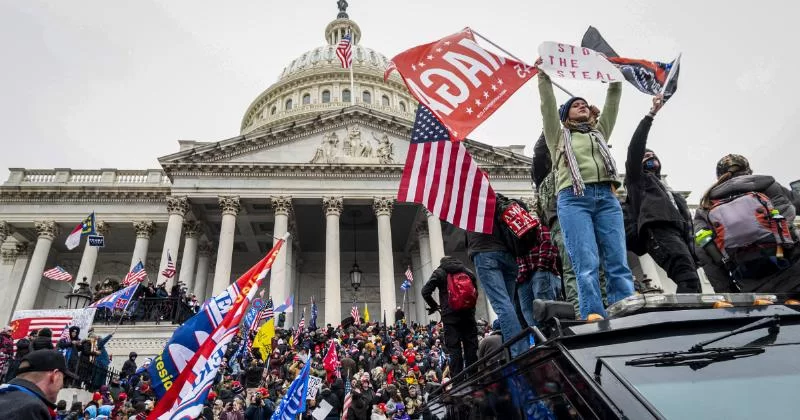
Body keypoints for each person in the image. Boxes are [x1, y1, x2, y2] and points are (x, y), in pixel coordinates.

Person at [536, 60, 634, 320]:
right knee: (586, 261)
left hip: (606, 197)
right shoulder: (557, 137)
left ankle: (625, 308)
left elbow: (613, 101)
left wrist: (615, 77)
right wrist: (544, 78)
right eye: (574, 105)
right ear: (566, 115)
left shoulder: (599, 133)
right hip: (573, 199)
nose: (580, 106)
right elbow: (547, 107)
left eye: (584, 104)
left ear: (591, 113)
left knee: (617, 259)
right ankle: (593, 312)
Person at [624, 95, 700, 293]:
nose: (650, 156)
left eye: (653, 154)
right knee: (688, 279)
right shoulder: (636, 181)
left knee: (691, 281)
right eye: (645, 155)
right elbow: (635, 148)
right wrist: (650, 115)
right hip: (658, 233)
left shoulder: (666, 189)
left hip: (678, 234)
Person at [694, 154, 800, 292]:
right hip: (793, 271)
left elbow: (704, 254)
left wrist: (728, 292)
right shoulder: (768, 186)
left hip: (752, 284)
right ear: (748, 171)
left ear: (718, 176)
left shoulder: (705, 206)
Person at [421, 256, 479, 377]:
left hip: (450, 316)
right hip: (468, 315)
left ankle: (458, 380)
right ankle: (474, 377)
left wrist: (434, 306)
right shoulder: (466, 271)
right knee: (471, 347)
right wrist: (470, 307)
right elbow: (474, 291)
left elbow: (425, 291)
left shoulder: (440, 272)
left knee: (454, 349)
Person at [0, 349, 77, 419]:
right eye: (63, 378)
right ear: (55, 376)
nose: (62, 386)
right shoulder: (32, 409)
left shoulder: (5, 395)